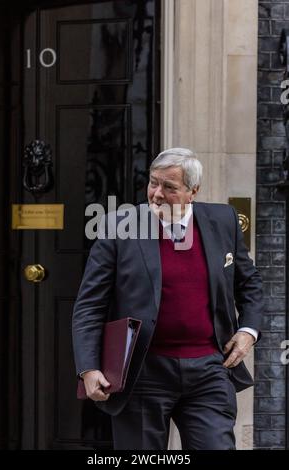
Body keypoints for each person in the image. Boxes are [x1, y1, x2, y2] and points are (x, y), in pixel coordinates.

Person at [72, 147, 263, 450]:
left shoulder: (223, 220)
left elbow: (249, 284)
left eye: (169, 187)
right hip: (143, 372)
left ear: (192, 191)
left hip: (209, 370)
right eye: (153, 183)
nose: (157, 194)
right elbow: (90, 305)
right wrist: (88, 368)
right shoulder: (119, 226)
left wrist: (248, 331)